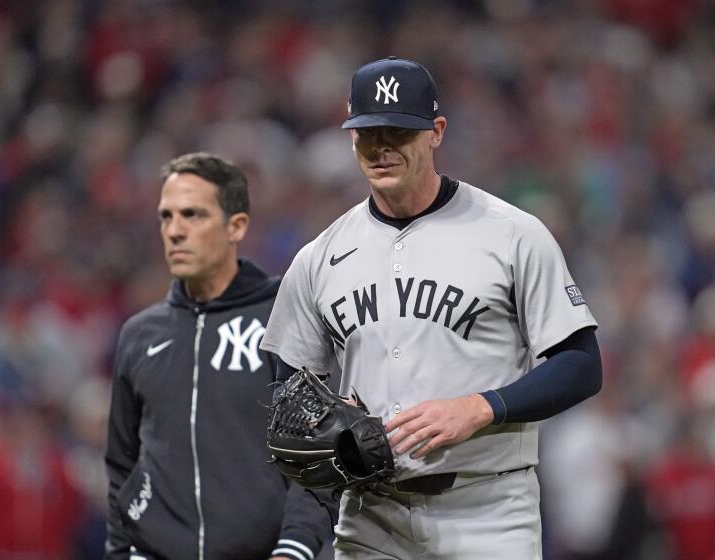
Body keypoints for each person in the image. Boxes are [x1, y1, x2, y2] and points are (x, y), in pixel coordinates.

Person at [259, 57, 603, 559]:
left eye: (399, 131)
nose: (381, 147)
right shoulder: (318, 257)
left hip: (487, 511)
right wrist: (325, 419)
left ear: (436, 132)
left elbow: (581, 365)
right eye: (368, 131)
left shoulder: (511, 235)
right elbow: (286, 391)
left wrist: (482, 406)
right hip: (369, 519)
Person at [105, 152, 332, 560]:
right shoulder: (139, 336)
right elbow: (122, 466)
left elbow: (314, 456)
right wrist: (123, 552)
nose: (175, 231)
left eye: (193, 215)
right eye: (166, 216)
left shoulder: (281, 316)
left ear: (236, 226)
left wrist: (293, 549)